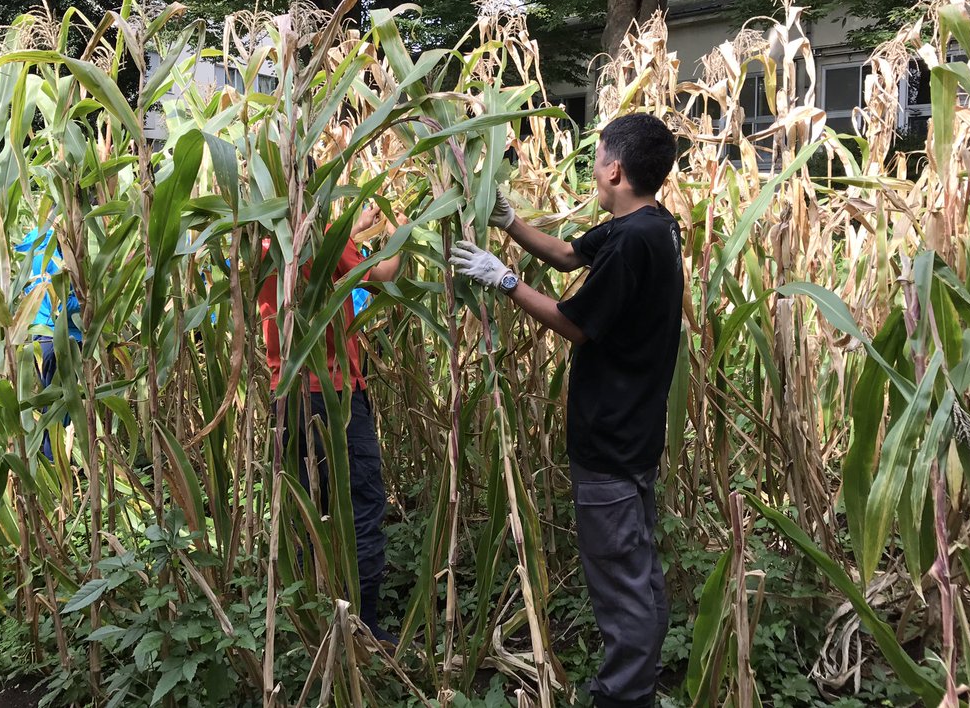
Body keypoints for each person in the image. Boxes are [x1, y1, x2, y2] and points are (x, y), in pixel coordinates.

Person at [449, 114, 683, 708]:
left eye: (598, 160)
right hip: (635, 436)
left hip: (609, 444)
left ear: (616, 170)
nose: (593, 171)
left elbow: (574, 324)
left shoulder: (633, 242)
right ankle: (641, 692)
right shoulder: (649, 224)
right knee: (641, 579)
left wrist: (502, 280)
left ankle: (621, 698)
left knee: (622, 590)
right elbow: (567, 256)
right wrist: (510, 224)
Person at [257, 201, 404, 645]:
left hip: (287, 398)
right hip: (335, 394)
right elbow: (385, 275)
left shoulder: (258, 244)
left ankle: (310, 623)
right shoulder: (324, 239)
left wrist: (352, 234)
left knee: (304, 507)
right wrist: (400, 226)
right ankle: (365, 625)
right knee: (361, 504)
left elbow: (315, 274)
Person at [16, 225, 82, 461]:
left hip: (41, 334)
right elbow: (63, 305)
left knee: (52, 398)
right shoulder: (60, 251)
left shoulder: (35, 245)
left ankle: (57, 459)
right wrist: (90, 302)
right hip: (65, 337)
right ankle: (58, 460)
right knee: (64, 402)